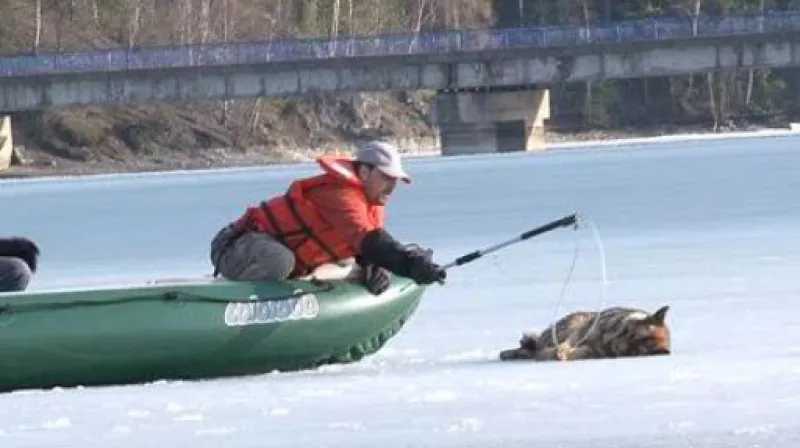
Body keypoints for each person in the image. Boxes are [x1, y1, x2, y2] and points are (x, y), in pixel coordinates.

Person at [209, 140, 446, 295]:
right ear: (364, 172)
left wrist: (374, 264)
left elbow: (370, 246)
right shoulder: (340, 195)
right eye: (386, 178)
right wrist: (410, 264)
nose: (392, 187)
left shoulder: (373, 204)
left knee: (350, 265)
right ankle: (236, 304)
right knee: (280, 261)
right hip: (236, 246)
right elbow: (369, 238)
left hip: (289, 257)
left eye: (395, 180)